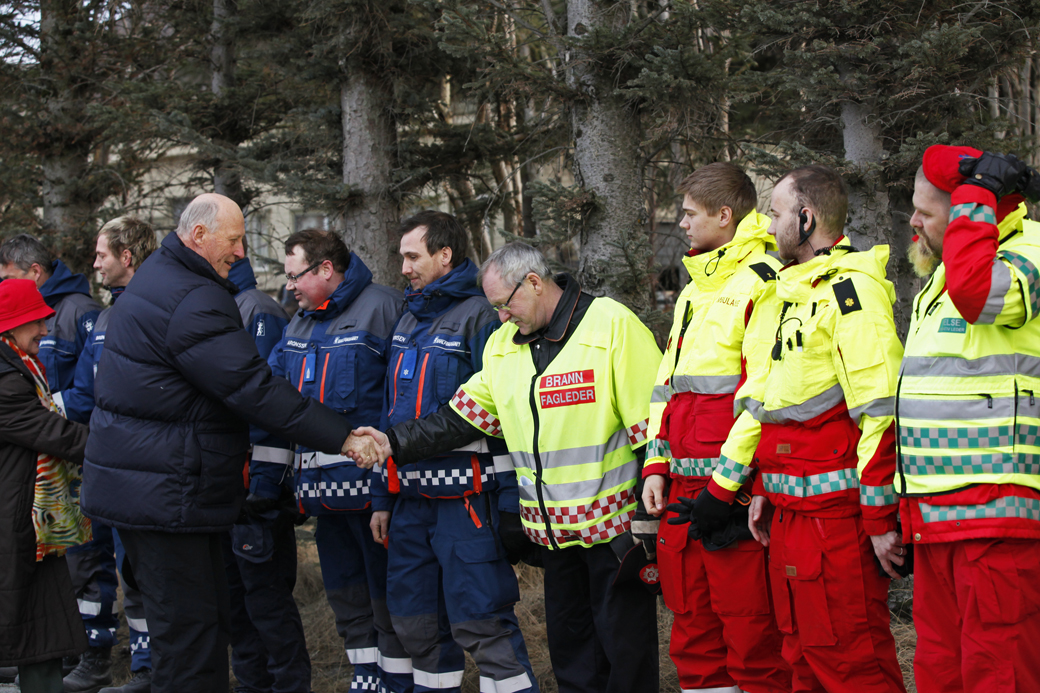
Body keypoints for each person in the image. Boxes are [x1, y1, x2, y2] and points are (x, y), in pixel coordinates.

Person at [80, 193, 375, 693]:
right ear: (199, 236)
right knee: (193, 646)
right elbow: (251, 388)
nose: (240, 252)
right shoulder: (192, 297)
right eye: (234, 239)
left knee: (195, 632)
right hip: (168, 495)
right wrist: (342, 436)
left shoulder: (162, 281)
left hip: (154, 491)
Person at [354, 242, 662, 693]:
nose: (500, 317)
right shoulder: (502, 346)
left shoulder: (611, 325)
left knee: (625, 658)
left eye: (504, 305)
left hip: (614, 536)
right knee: (572, 658)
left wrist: (650, 519)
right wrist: (392, 442)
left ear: (534, 283)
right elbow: (459, 418)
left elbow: (653, 423)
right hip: (554, 540)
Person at [712, 166, 907, 692]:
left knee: (852, 664)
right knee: (801, 659)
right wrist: (762, 487)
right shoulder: (788, 294)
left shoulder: (851, 295)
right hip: (789, 520)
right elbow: (772, 403)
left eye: (775, 214)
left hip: (837, 528)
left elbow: (880, 413)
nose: (767, 226)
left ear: (806, 216)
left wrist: (879, 517)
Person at [368, 211, 537, 693]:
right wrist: (383, 498)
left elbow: (506, 417)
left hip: (468, 506)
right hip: (409, 506)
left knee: (483, 624)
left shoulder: (483, 318)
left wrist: (510, 506)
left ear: (445, 255)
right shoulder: (407, 319)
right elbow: (390, 414)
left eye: (412, 256)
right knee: (416, 627)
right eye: (402, 257)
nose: (403, 267)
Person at [896, 145, 1040, 693]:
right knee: (941, 670)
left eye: (925, 212)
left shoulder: (1028, 253)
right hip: (938, 515)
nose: (912, 222)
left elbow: (980, 296)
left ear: (967, 218)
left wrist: (976, 193)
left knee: (996, 671)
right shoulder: (939, 279)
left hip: (996, 511)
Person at [641, 163, 789, 693]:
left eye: (688, 213)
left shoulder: (763, 283)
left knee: (753, 641)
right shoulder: (692, 290)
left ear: (724, 216)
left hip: (730, 496)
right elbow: (668, 388)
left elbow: (760, 398)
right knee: (693, 640)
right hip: (681, 492)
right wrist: (656, 466)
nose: (680, 223)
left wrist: (725, 488)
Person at [266, 228, 412, 693]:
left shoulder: (384, 307)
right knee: (346, 594)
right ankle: (364, 673)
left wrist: (383, 489)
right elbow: (271, 392)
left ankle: (397, 676)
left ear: (326, 269)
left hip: (372, 495)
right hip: (321, 500)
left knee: (386, 591)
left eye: (295, 275)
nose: (289, 286)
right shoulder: (297, 324)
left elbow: (398, 402)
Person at [55, 217, 159, 693]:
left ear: (128, 257)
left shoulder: (157, 310)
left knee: (144, 572)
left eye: (102, 254)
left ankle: (151, 667)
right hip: (107, 467)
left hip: (147, 471)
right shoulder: (102, 318)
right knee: (117, 568)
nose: (94, 263)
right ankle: (129, 664)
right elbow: (82, 394)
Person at [223, 250, 311, 693]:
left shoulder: (256, 309)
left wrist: (264, 486)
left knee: (267, 604)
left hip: (257, 495)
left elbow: (269, 403)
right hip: (229, 490)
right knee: (238, 606)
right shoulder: (217, 307)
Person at [0, 278, 91, 693]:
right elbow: (55, 434)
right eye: (35, 321)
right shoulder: (6, 380)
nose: (44, 329)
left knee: (43, 631)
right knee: (34, 628)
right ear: (9, 328)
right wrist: (124, 449)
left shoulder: (19, 367)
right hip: (19, 524)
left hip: (32, 523)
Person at [0, 234, 101, 394]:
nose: (4, 286)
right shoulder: (11, 313)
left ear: (35, 271)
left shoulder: (82, 312)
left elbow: (98, 384)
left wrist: (55, 408)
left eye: (9, 279)